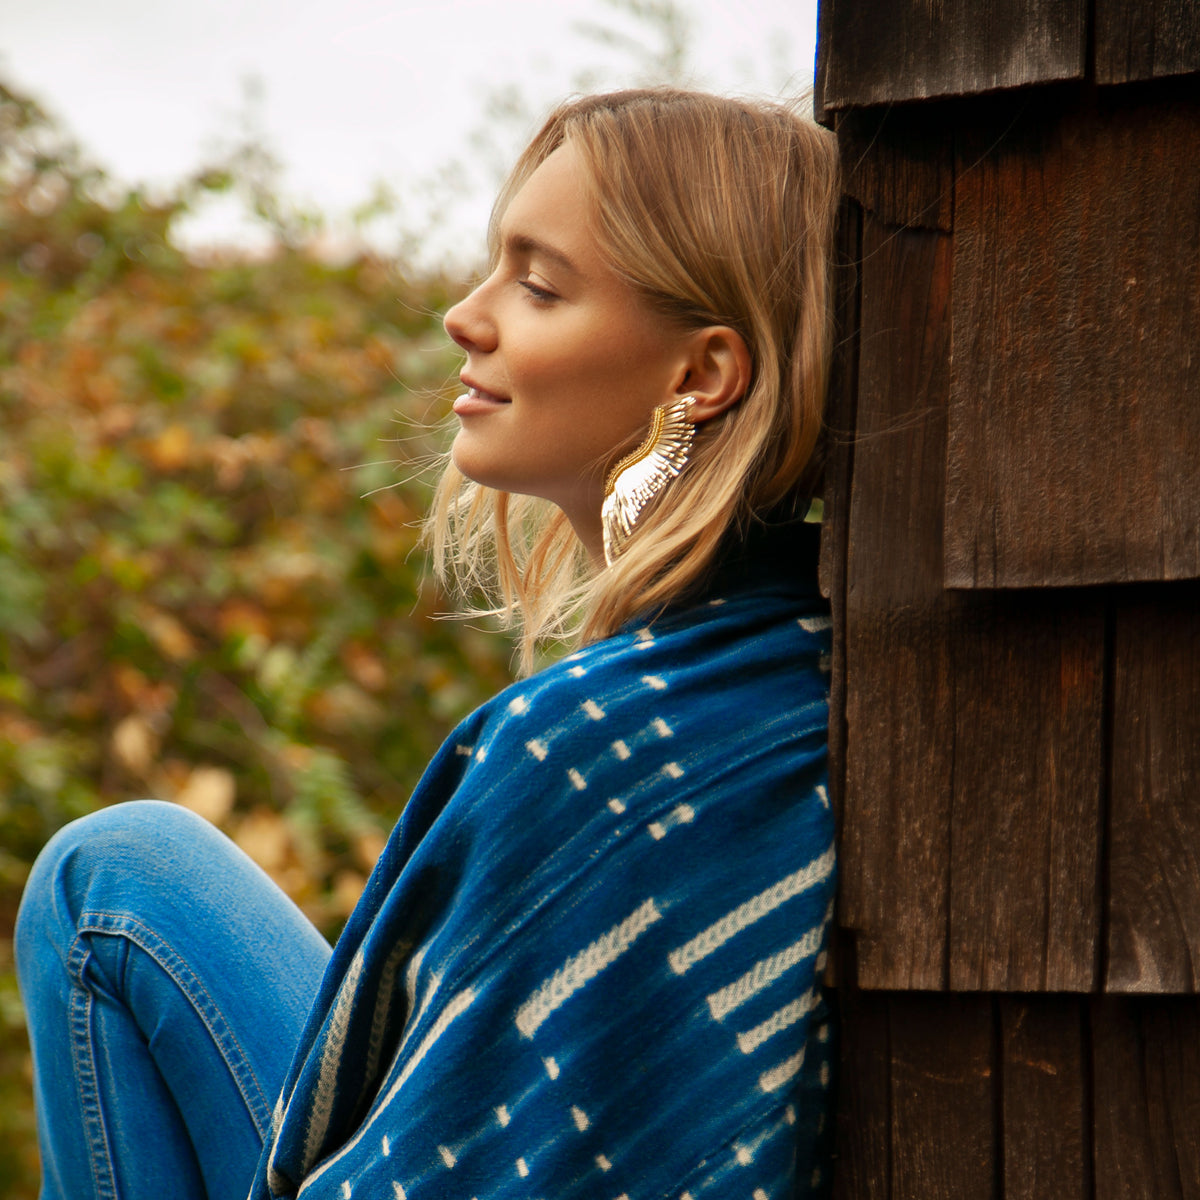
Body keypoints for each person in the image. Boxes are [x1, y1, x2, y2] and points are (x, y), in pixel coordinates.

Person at [15, 88, 840, 1200]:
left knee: (100, 890)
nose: (467, 314)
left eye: (539, 286)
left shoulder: (598, 748)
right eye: (493, 266)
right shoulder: (772, 666)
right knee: (120, 866)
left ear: (701, 376)